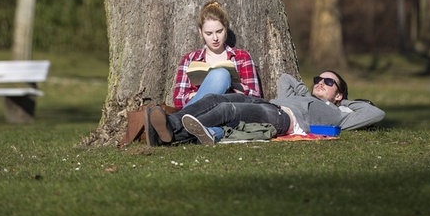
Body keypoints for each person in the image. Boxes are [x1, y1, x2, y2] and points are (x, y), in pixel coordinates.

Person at [144, 70, 385, 146]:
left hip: (282, 120)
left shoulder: (342, 115)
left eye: (329, 82)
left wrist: (343, 103)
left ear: (339, 93)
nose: (321, 83)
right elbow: (285, 78)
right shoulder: (305, 95)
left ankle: (170, 128)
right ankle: (169, 128)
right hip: (268, 105)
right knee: (216, 99)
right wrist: (306, 91)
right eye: (318, 80)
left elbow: (376, 113)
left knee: (228, 110)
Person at [172, 0, 261, 110]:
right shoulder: (190, 59)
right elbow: (178, 100)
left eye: (219, 31)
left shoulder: (242, 57)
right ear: (201, 32)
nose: (215, 38)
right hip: (204, 118)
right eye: (209, 33)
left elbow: (256, 99)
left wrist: (234, 85)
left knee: (222, 74)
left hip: (231, 113)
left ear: (225, 29)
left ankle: (178, 121)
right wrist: (204, 93)